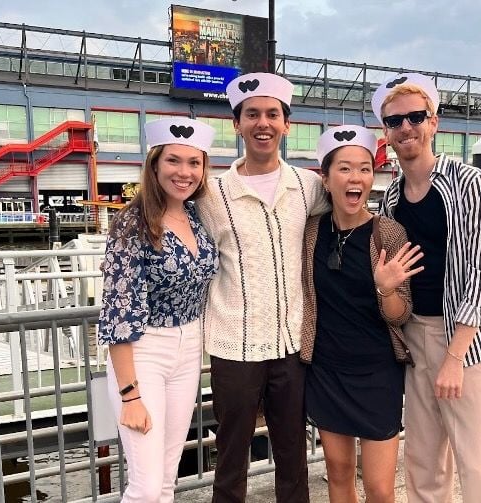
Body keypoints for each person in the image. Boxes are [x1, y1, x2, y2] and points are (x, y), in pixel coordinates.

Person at [372, 73, 481, 503]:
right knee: (424, 458)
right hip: (414, 335)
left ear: (434, 122)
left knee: (475, 458)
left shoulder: (473, 185)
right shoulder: (392, 196)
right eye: (396, 121)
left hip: (464, 341)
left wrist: (455, 356)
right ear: (387, 133)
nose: (406, 127)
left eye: (416, 116)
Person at [195, 72, 328, 503]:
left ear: (287, 124)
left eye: (273, 114)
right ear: (237, 124)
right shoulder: (210, 194)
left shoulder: (307, 187)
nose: (262, 123)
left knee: (293, 454)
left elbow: (351, 205)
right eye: (251, 114)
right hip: (234, 346)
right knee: (230, 455)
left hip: (290, 347)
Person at [97, 117, 219, 503]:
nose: (184, 172)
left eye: (194, 163)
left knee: (166, 478)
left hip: (189, 349)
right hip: (143, 351)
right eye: (173, 161)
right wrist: (130, 395)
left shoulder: (199, 217)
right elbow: (118, 310)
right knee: (146, 487)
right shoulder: (131, 223)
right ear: (154, 165)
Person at [300, 125, 423, 502]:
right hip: (325, 369)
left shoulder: (387, 233)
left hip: (376, 373)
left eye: (365, 169)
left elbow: (400, 315)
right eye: (344, 169)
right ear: (325, 178)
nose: (356, 178)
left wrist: (385, 287)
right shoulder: (310, 232)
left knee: (380, 488)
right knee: (337, 474)